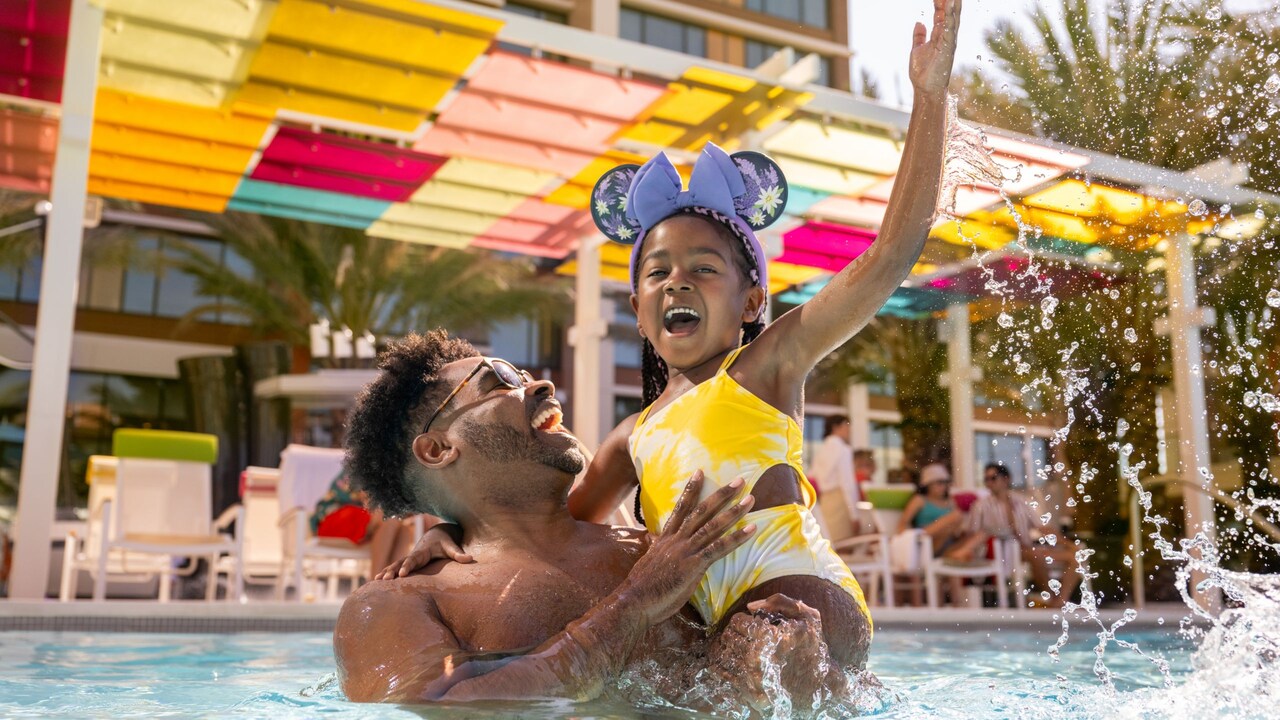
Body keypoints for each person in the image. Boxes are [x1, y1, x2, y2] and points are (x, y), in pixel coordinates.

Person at [389, 0, 963, 671]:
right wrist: (450, 530)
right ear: (637, 308)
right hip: (723, 632)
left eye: (702, 269)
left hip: (805, 597)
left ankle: (778, 652)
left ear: (752, 300)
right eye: (657, 272)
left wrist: (930, 97)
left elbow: (891, 253)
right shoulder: (631, 439)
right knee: (716, 671)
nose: (676, 283)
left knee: (762, 643)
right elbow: (548, 521)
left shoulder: (766, 365)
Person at [336, 331, 840, 708]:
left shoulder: (667, 551)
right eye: (498, 382)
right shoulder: (394, 604)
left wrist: (794, 669)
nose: (539, 384)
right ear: (438, 448)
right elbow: (435, 710)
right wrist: (634, 604)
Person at [946, 463, 1082, 608]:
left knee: (1074, 558)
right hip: (1001, 552)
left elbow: (1042, 528)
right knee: (1036, 555)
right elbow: (971, 533)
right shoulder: (981, 506)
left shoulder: (1021, 501)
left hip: (1025, 549)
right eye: (986, 479)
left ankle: (1059, 601)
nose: (989, 483)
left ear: (1006, 479)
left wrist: (1068, 544)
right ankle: (1052, 599)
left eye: (993, 478)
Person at [309, 471, 418, 575]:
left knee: (404, 531)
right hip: (335, 518)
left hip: (362, 518)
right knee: (390, 520)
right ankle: (375, 584)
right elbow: (369, 497)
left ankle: (391, 586)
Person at [897, 463, 965, 555]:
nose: (944, 486)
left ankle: (958, 554)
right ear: (928, 484)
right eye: (940, 482)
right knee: (956, 515)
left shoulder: (950, 501)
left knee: (981, 533)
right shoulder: (920, 500)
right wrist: (908, 542)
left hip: (947, 540)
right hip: (925, 541)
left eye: (945, 482)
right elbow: (902, 524)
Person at [810, 415, 860, 537]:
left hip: (825, 502)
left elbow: (812, 476)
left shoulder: (822, 450)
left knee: (830, 544)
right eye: (846, 426)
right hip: (840, 501)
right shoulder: (843, 449)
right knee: (845, 548)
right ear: (835, 427)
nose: (849, 430)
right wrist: (854, 515)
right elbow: (847, 483)